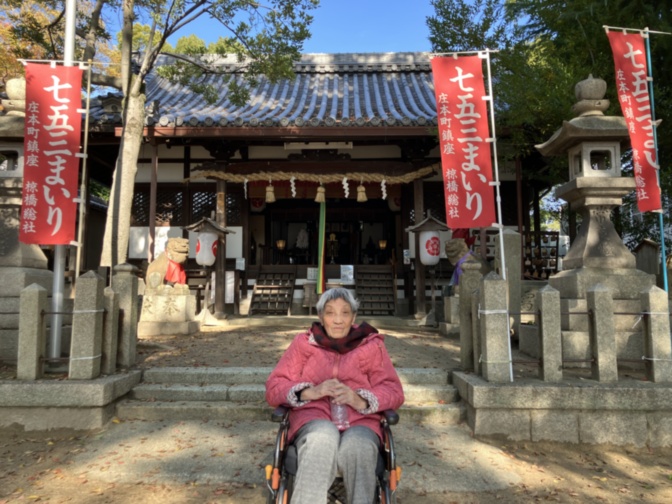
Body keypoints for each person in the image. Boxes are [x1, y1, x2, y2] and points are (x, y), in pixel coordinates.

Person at [265, 287, 405, 504]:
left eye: (345, 313)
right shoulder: (303, 344)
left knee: (358, 446)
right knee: (323, 437)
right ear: (321, 317)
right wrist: (311, 391)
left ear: (354, 317)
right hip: (313, 420)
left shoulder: (372, 346)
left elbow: (393, 390)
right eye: (330, 313)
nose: (338, 320)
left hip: (361, 422)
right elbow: (275, 386)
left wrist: (360, 399)